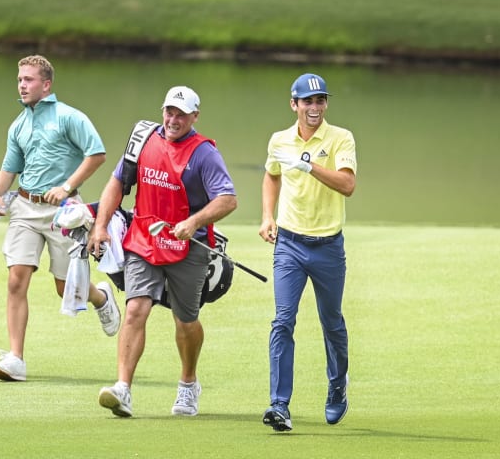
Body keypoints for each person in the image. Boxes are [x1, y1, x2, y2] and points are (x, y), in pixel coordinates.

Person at [88, 86, 237, 417]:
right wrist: (100, 225)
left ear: (194, 117)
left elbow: (228, 198)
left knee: (186, 320)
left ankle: (188, 383)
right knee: (136, 308)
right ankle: (123, 388)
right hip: (143, 239)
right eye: (169, 112)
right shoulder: (143, 138)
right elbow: (117, 183)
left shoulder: (204, 153)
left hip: (188, 246)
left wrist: (193, 221)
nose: (173, 119)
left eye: (181, 114)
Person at [0, 54, 121, 381]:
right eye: (20, 80)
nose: (22, 85)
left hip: (64, 213)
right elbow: (10, 166)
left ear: (46, 84)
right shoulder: (18, 124)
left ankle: (101, 298)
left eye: (29, 80)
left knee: (66, 288)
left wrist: (67, 185)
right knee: (17, 278)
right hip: (25, 209)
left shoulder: (69, 117)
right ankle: (15, 358)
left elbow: (97, 153)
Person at [258, 73, 357, 432]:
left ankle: (337, 385)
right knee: (283, 320)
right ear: (294, 104)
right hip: (290, 244)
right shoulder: (279, 140)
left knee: (331, 323)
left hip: (328, 246)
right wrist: (268, 216)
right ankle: (280, 405)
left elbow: (347, 184)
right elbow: (271, 176)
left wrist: (309, 165)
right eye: (307, 102)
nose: (314, 108)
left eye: (320, 101)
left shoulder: (340, 137)